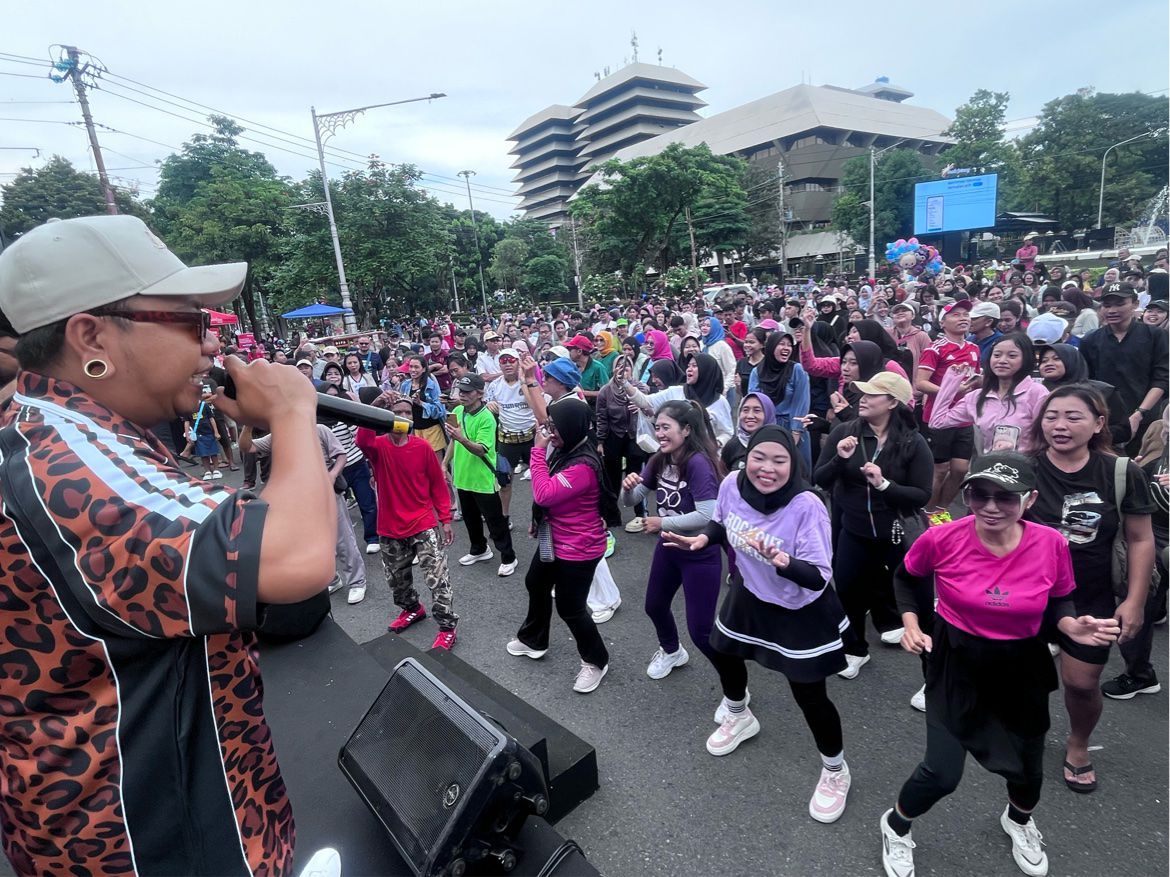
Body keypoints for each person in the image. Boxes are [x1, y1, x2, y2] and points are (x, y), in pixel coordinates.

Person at [0, 215, 339, 874]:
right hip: (153, 835)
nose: (212, 344)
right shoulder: (65, 462)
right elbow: (296, 558)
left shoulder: (50, 430)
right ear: (92, 336)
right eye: (190, 320)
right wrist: (293, 410)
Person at [880, 452, 1120, 877]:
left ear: (1029, 499)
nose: (990, 507)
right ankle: (896, 826)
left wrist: (1070, 626)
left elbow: (1060, 598)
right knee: (942, 773)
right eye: (979, 495)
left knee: (1028, 769)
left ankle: (1019, 821)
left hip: (1021, 663)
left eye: (1005, 497)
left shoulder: (1051, 543)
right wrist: (911, 624)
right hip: (956, 660)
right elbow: (905, 577)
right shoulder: (941, 538)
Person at [664, 426, 853, 822]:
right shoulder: (732, 484)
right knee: (723, 650)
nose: (767, 468)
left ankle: (836, 770)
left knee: (809, 695)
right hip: (751, 591)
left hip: (799, 607)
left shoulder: (806, 505)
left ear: (793, 463)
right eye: (759, 458)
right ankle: (739, 714)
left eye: (779, 460)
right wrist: (704, 540)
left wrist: (784, 562)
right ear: (746, 458)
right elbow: (721, 522)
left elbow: (819, 576)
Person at [1025, 386, 1155, 793]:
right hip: (1026, 594)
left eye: (1073, 416)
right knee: (1020, 675)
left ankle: (1078, 743)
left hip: (1089, 597)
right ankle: (1022, 734)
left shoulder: (1121, 472)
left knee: (1081, 685)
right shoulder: (1024, 467)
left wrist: (1134, 602)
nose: (1059, 425)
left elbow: (1141, 539)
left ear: (1099, 423)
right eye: (1051, 416)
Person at [814, 373, 933, 684]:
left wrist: (884, 485)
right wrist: (840, 459)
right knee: (848, 591)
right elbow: (819, 478)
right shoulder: (845, 432)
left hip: (896, 533)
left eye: (872, 395)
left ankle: (933, 674)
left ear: (892, 403)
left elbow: (922, 494)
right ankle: (855, 650)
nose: (863, 399)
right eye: (862, 394)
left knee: (917, 598)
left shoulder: (912, 441)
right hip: (854, 530)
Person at [507, 399, 611, 693]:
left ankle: (596, 661)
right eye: (549, 426)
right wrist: (537, 520)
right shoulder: (568, 449)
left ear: (572, 427)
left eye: (555, 427)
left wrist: (537, 450)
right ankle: (533, 640)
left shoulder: (583, 465)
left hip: (580, 548)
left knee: (570, 607)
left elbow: (544, 493)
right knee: (535, 583)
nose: (550, 432)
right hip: (553, 537)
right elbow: (547, 499)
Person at [621, 401, 725, 682]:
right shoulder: (660, 459)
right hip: (668, 548)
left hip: (699, 554)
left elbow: (707, 515)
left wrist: (661, 523)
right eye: (657, 427)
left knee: (701, 632)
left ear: (686, 430)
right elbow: (631, 500)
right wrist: (627, 487)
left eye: (666, 427)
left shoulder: (698, 463)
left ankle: (735, 686)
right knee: (654, 606)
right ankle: (672, 651)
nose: (659, 434)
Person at [358, 396, 458, 649]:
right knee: (396, 580)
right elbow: (362, 440)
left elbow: (438, 485)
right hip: (390, 526)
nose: (403, 416)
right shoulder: (379, 446)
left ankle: (447, 627)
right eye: (397, 412)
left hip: (422, 523)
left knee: (437, 578)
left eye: (407, 412)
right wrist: (375, 406)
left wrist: (445, 519)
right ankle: (412, 609)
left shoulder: (422, 447)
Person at [1079, 281, 1169, 455]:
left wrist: (1139, 413)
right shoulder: (1090, 341)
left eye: (1120, 304)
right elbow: (1086, 382)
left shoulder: (1155, 336)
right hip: (1106, 421)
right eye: (1107, 305)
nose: (1112, 310)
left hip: (1147, 418)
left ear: (1135, 304)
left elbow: (1162, 378)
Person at [929, 334, 1051, 454]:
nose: (1002, 361)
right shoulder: (977, 397)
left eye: (1012, 356)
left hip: (1029, 464)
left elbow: (1048, 437)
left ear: (1026, 359)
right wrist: (951, 381)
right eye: (997, 355)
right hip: (990, 464)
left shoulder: (1036, 393)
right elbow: (937, 422)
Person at [916, 300, 981, 525]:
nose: (963, 318)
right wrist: (951, 390)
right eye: (956, 315)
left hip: (964, 418)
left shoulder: (974, 349)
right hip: (938, 418)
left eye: (966, 314)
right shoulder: (935, 348)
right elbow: (920, 383)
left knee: (961, 469)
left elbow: (974, 380)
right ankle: (928, 513)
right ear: (942, 323)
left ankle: (941, 509)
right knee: (940, 469)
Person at [446, 373, 518, 576]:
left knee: (495, 521)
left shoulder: (487, 417)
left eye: (467, 392)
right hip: (463, 477)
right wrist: (444, 463)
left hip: (483, 478)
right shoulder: (458, 411)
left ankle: (509, 557)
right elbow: (453, 441)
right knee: (470, 519)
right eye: (461, 391)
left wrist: (462, 438)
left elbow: (481, 449)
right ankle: (479, 549)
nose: (462, 395)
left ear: (479, 393)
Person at [622, 352, 734, 447]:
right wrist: (625, 384)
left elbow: (727, 432)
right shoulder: (675, 392)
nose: (689, 369)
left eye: (694, 366)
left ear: (706, 371)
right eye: (688, 366)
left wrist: (717, 443)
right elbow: (645, 402)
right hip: (676, 455)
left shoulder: (719, 401)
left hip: (706, 456)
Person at [1036, 343, 1131, 448]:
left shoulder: (1103, 391)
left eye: (1056, 359)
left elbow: (1123, 431)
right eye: (1044, 361)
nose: (1049, 363)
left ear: (1071, 360)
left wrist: (1085, 434)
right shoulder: (1036, 392)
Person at [597, 355, 646, 530]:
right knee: (612, 477)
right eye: (619, 366)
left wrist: (640, 406)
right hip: (613, 436)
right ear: (613, 370)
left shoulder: (640, 388)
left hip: (634, 436)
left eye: (626, 367)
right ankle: (611, 516)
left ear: (632, 370)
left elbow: (650, 409)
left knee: (635, 476)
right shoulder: (605, 391)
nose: (622, 370)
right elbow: (601, 418)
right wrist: (600, 441)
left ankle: (640, 515)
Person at [748, 331, 811, 469]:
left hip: (792, 427)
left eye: (789, 345)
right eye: (781, 344)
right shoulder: (757, 372)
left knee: (795, 470)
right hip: (766, 428)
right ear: (771, 347)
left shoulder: (796, 370)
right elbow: (754, 402)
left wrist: (795, 432)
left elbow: (801, 402)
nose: (786, 348)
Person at [486, 348, 537, 507]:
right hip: (507, 440)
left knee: (540, 479)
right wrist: (489, 404)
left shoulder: (528, 381)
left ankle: (543, 515)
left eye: (511, 360)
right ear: (499, 364)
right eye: (503, 361)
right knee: (504, 482)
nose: (507, 364)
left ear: (518, 362)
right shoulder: (494, 385)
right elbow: (486, 404)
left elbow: (535, 405)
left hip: (531, 437)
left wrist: (523, 381)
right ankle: (504, 516)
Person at [720, 390, 776, 472]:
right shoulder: (733, 446)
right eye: (745, 410)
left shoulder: (779, 445)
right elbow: (722, 475)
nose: (750, 416)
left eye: (757, 410)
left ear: (768, 413)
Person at [185, 383, 223, 479]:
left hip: (209, 433)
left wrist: (216, 432)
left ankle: (216, 469)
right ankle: (207, 471)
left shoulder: (204, 406)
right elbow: (186, 421)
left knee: (213, 452)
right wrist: (187, 434)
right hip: (198, 435)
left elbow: (211, 419)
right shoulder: (188, 408)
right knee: (203, 454)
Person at [734, 326, 767, 398]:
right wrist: (738, 385)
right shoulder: (741, 362)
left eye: (752, 342)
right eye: (746, 342)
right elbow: (739, 392)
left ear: (762, 344)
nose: (747, 345)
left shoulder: (768, 363)